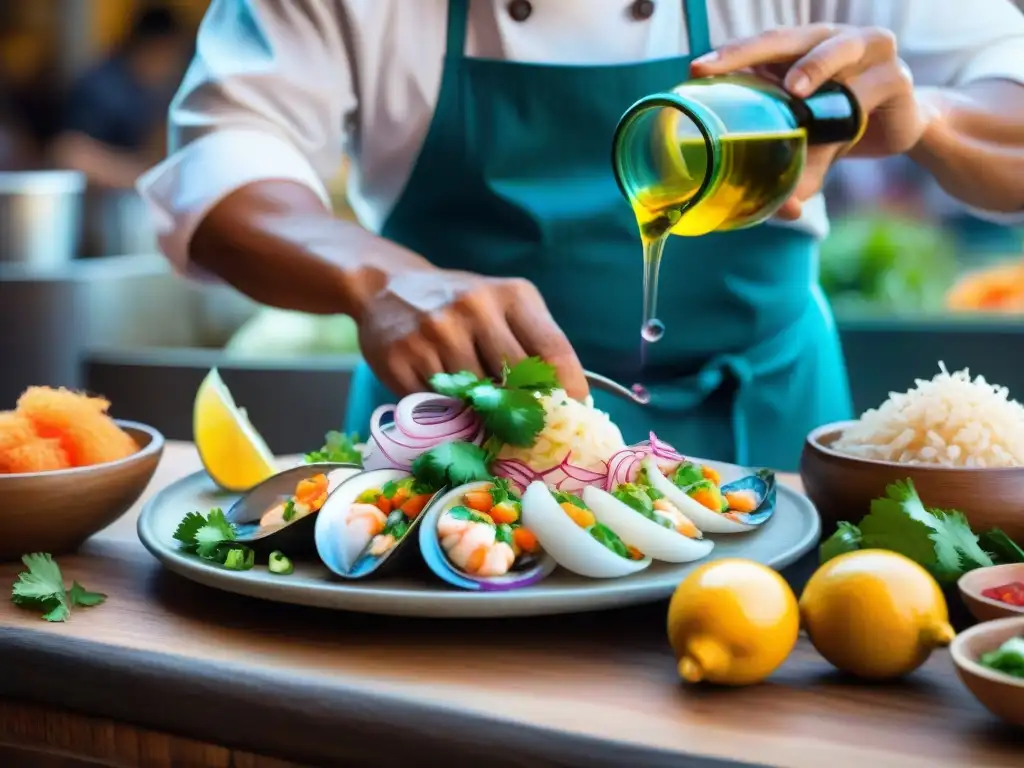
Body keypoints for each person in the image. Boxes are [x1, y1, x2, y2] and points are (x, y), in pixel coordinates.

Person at [138, 0, 1024, 470]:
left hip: (769, 435)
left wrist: (928, 120)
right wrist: (375, 279)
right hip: (455, 457)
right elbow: (220, 164)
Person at [53, 5, 189, 189]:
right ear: (148, 47)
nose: (170, 65)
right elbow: (69, 152)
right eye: (167, 54)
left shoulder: (169, 88)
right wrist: (145, 177)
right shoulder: (102, 88)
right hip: (104, 205)